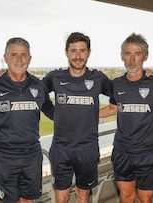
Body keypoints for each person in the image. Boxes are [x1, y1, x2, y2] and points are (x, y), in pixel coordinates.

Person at [0, 37, 54, 203]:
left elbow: (54, 113)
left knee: (28, 200)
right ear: (5, 58)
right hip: (1, 157)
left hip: (31, 156)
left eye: (23, 55)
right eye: (14, 55)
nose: (19, 60)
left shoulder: (38, 86)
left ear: (30, 58)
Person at [42, 32, 112, 203]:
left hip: (87, 149)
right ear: (66, 52)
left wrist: (92, 114)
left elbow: (120, 98)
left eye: (82, 51)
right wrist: (54, 113)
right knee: (62, 197)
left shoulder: (98, 78)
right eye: (73, 51)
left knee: (83, 195)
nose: (78, 56)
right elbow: (35, 94)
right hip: (61, 149)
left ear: (89, 52)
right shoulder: (54, 77)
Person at [99, 33, 153, 203]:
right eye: (128, 53)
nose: (132, 59)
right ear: (122, 55)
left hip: (147, 152)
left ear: (145, 56)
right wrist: (79, 115)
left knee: (145, 199)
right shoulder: (116, 84)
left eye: (137, 54)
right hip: (122, 151)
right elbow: (113, 108)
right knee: (126, 197)